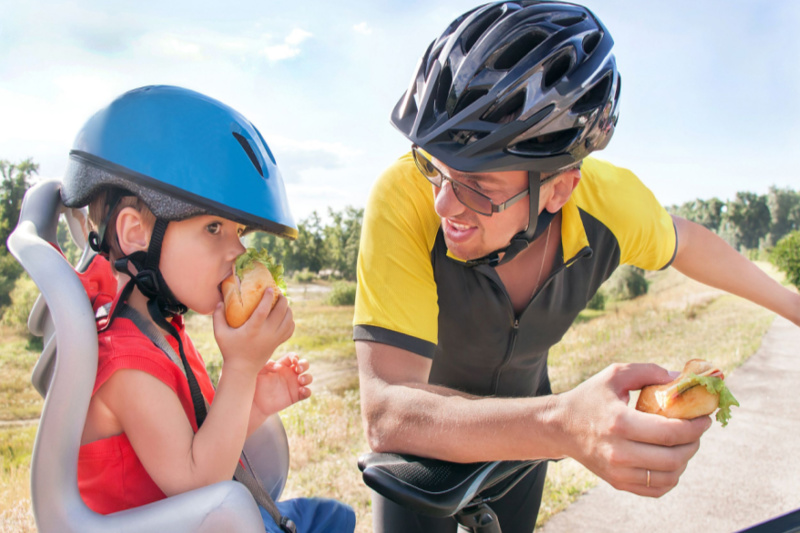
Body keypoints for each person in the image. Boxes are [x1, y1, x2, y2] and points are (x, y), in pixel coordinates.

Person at [353, 2, 800, 532]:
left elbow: (690, 244)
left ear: (559, 189)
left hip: (527, 435)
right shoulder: (402, 196)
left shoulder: (609, 206)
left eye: (478, 185)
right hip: (425, 445)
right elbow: (388, 412)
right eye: (435, 167)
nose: (443, 203)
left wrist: (794, 308)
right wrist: (564, 424)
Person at [61, 85, 356, 533]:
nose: (238, 250)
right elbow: (199, 485)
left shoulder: (160, 330)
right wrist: (240, 367)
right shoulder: (126, 364)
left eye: (239, 231)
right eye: (214, 228)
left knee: (330, 517)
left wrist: (252, 404)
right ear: (136, 233)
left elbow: (200, 442)